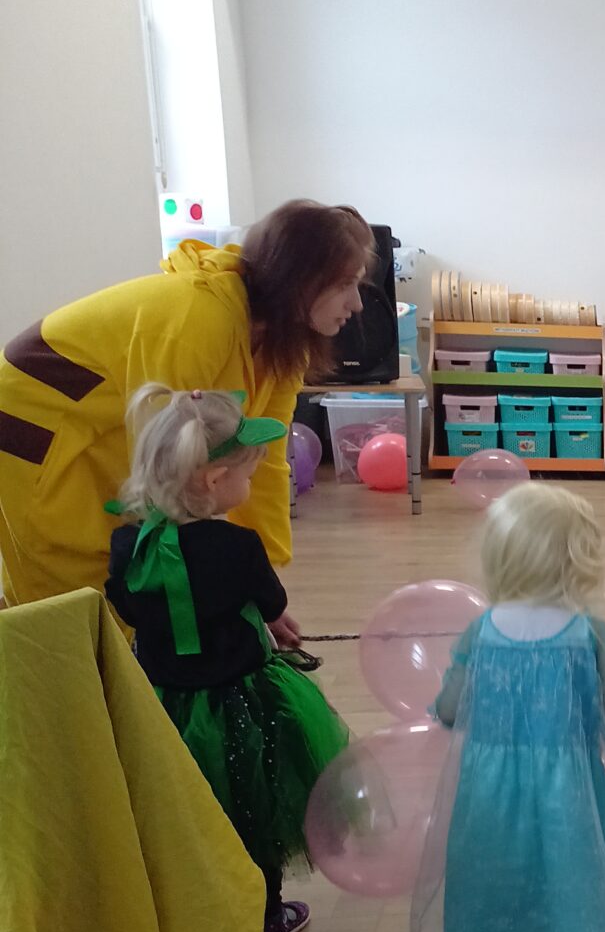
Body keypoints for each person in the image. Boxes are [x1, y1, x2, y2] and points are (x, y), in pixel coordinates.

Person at [2, 200, 372, 635]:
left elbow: (265, 458)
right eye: (346, 284)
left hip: (101, 430)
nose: (357, 304)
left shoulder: (285, 346)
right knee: (76, 596)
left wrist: (262, 585)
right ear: (299, 279)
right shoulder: (201, 319)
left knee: (123, 590)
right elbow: (166, 471)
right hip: (34, 428)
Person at [104, 385, 348, 932]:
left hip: (162, 704)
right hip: (241, 703)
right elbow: (271, 601)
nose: (250, 484)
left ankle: (192, 915)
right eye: (247, 474)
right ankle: (264, 917)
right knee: (253, 805)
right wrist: (275, 619)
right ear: (215, 481)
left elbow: (127, 608)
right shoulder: (237, 546)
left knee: (181, 808)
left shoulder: (128, 544)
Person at [405, 483, 605, 932]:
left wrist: (443, 715)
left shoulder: (481, 632)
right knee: (572, 871)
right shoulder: (589, 633)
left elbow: (451, 705)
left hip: (490, 786)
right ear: (576, 561)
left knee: (497, 869)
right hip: (570, 786)